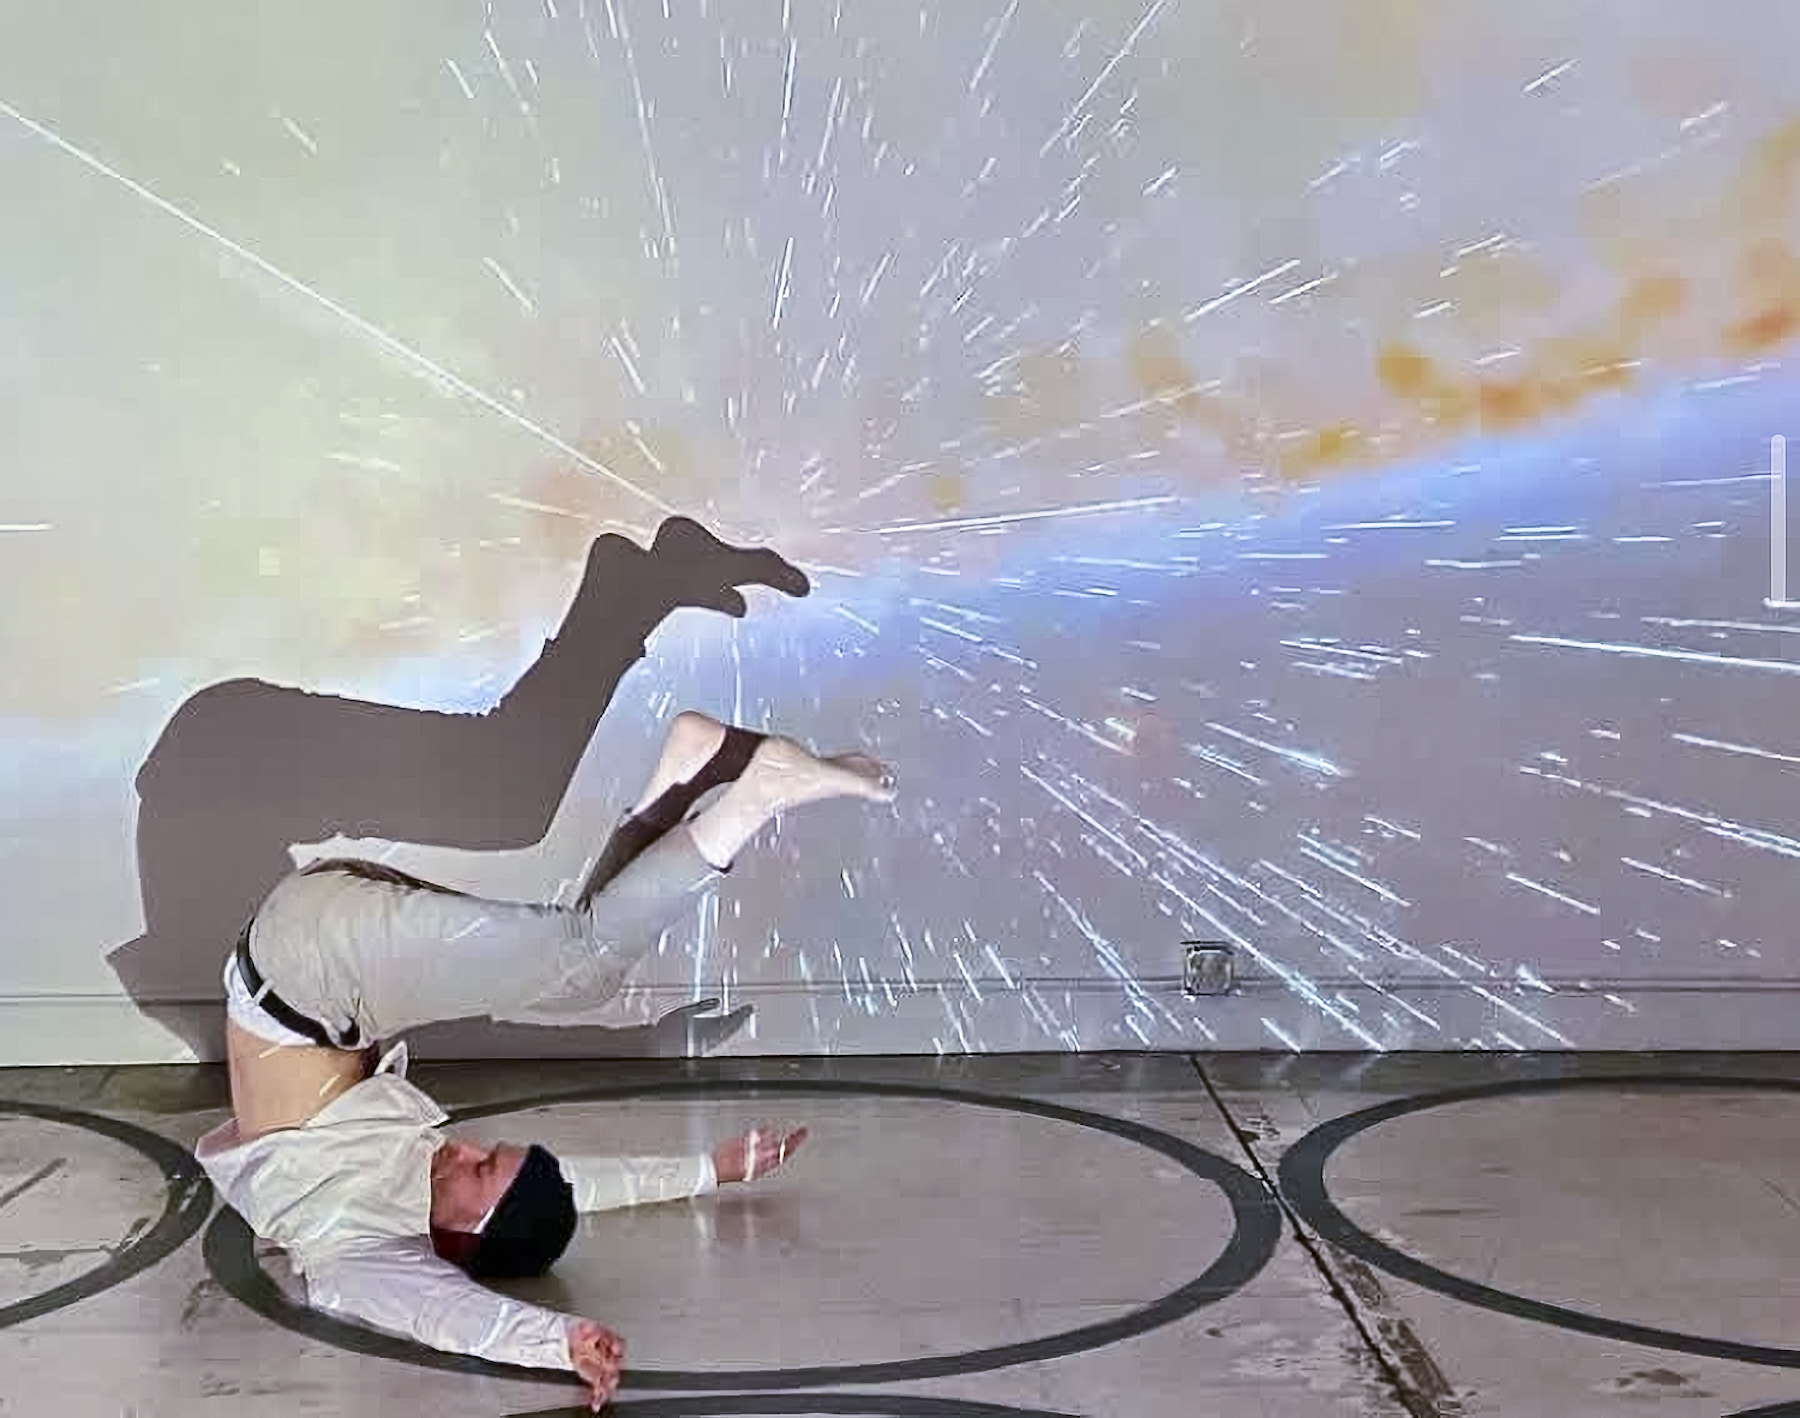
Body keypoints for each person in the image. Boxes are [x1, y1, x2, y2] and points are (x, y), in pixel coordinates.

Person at [194, 709, 896, 1411]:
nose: (466, 1149)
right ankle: (683, 779)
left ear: (469, 1234)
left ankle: (757, 793)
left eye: (481, 1171)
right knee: (582, 952)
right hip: (322, 955)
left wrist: (558, 1341)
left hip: (312, 966)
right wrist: (709, 1170)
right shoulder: (428, 1195)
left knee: (582, 963)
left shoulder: (353, 1245)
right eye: (488, 1155)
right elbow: (581, 1185)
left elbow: (445, 1312)